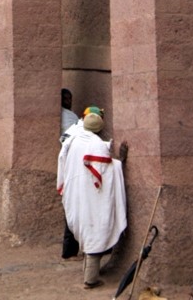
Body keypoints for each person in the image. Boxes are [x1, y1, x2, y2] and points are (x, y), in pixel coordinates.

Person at [57, 105, 128, 290]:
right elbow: (106, 169)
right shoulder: (96, 144)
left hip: (74, 192)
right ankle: (90, 279)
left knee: (84, 229)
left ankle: (88, 270)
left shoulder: (72, 140)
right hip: (91, 195)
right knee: (95, 230)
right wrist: (121, 161)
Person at [60, 88, 81, 259]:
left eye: (70, 98)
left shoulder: (70, 116)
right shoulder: (68, 118)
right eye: (65, 98)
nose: (69, 101)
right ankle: (69, 249)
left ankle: (70, 250)